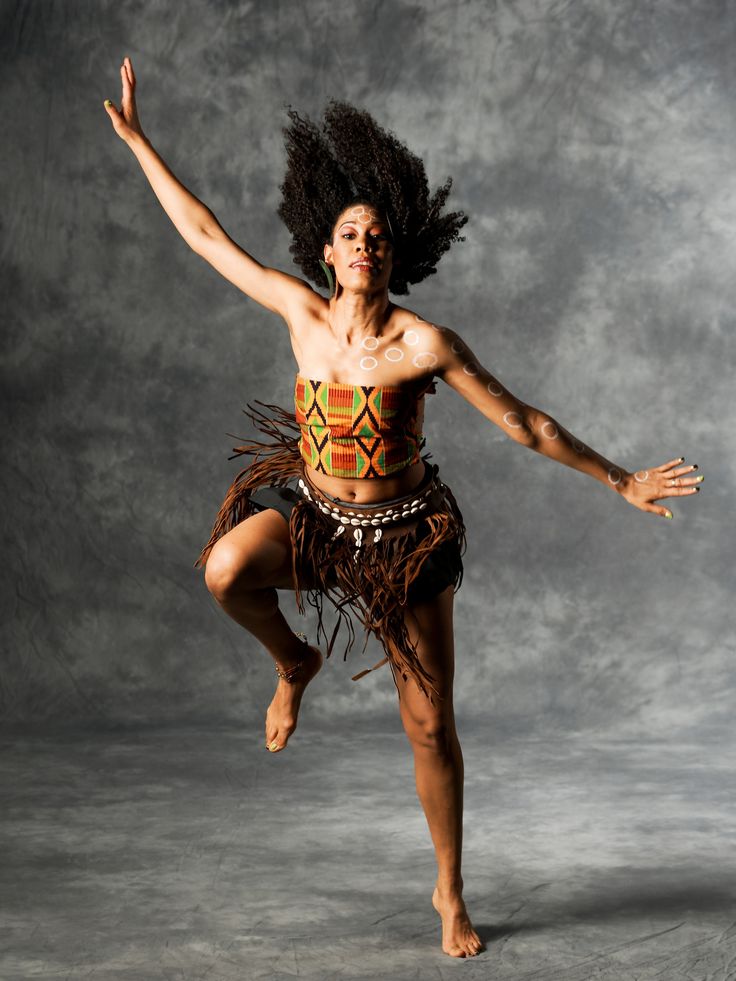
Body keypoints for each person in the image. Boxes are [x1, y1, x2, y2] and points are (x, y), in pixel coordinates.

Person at [104, 56, 703, 959]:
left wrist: (619, 479)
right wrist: (142, 144)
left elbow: (526, 423)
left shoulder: (424, 342)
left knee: (429, 723)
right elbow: (205, 236)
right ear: (325, 251)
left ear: (397, 252)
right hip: (314, 517)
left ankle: (449, 890)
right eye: (350, 232)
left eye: (379, 234)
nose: (364, 244)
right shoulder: (300, 315)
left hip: (402, 538)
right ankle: (295, 660)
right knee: (226, 569)